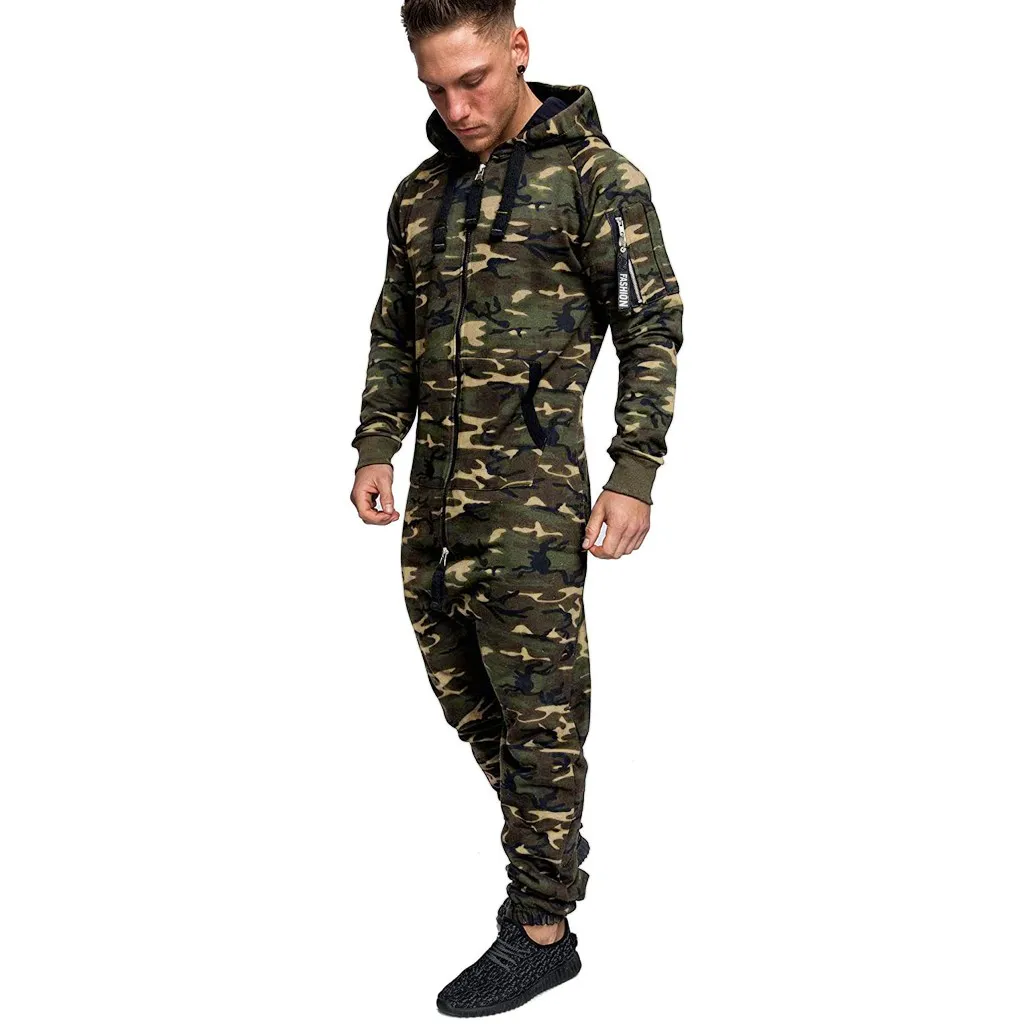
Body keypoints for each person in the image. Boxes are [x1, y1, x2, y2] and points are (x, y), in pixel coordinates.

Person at [350, 1, 684, 1015]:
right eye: (435, 89)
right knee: (469, 700)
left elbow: (651, 325)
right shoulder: (419, 195)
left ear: (518, 47)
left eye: (474, 81)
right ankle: (551, 835)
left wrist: (634, 470)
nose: (456, 107)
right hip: (433, 506)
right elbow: (394, 331)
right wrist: (376, 442)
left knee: (542, 717)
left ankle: (541, 927)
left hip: (532, 504)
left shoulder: (597, 179)